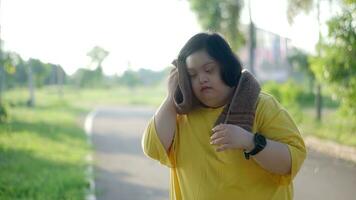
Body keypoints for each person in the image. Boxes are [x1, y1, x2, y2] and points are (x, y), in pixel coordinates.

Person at [142, 32, 306, 200]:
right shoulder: (181, 115)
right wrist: (172, 97)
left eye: (209, 69)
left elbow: (291, 162)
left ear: (226, 66)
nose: (202, 79)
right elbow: (152, 148)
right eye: (192, 75)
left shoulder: (261, 105)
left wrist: (249, 141)